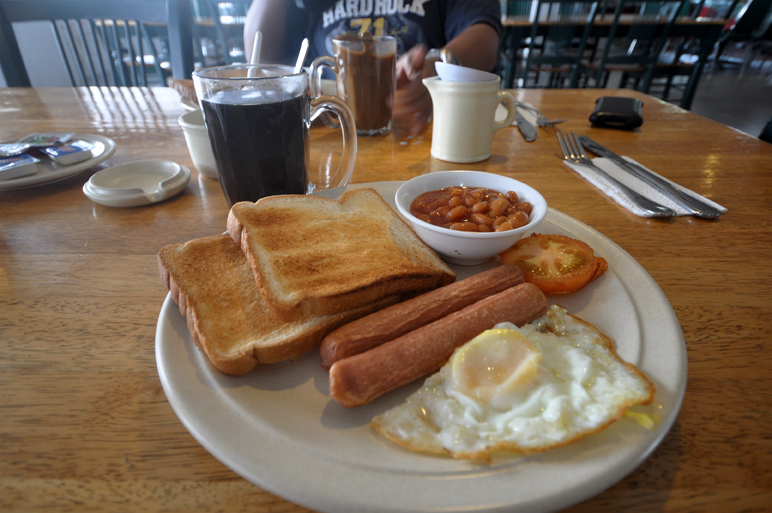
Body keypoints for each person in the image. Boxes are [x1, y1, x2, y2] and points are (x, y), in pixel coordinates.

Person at [243, 0, 502, 131]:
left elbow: (486, 36)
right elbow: (261, 57)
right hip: (330, 131)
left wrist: (441, 64)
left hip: (421, 128)